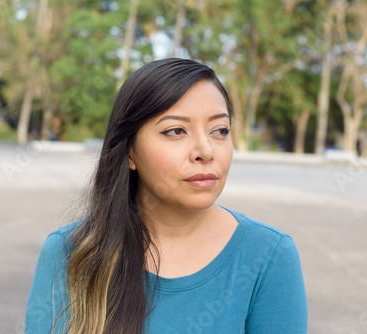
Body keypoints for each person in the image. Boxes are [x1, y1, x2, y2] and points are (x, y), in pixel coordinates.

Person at [25, 58, 307, 334]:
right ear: (130, 152)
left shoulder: (269, 257)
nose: (206, 151)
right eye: (176, 131)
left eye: (220, 130)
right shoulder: (72, 252)